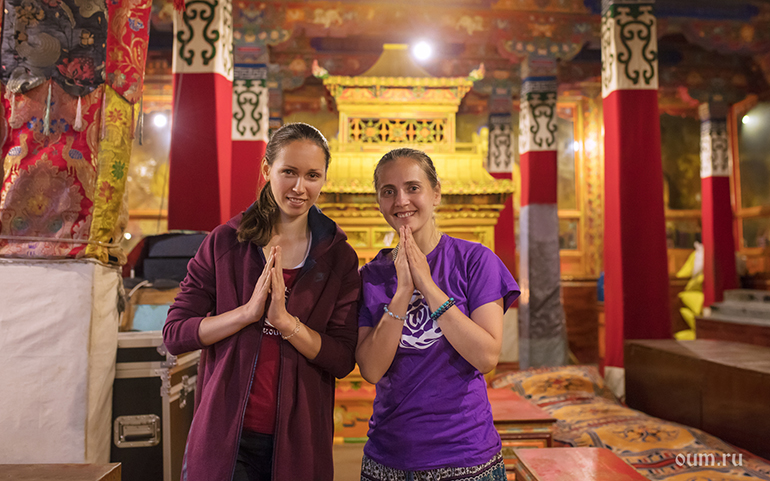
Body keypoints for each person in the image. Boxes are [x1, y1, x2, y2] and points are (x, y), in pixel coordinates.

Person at [163, 123, 360, 481]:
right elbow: (175, 333)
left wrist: (286, 324)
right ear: (268, 170)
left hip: (300, 440)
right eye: (289, 172)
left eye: (312, 176)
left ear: (323, 179)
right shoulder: (226, 242)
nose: (300, 187)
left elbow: (342, 358)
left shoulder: (338, 257)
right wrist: (246, 314)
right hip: (226, 436)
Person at [356, 148, 520, 481]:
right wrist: (402, 292)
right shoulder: (371, 276)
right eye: (389, 191)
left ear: (436, 193)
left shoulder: (475, 261)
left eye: (413, 188)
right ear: (379, 203)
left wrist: (428, 287)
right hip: (389, 456)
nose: (401, 200)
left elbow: (486, 356)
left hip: (466, 455)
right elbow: (371, 370)